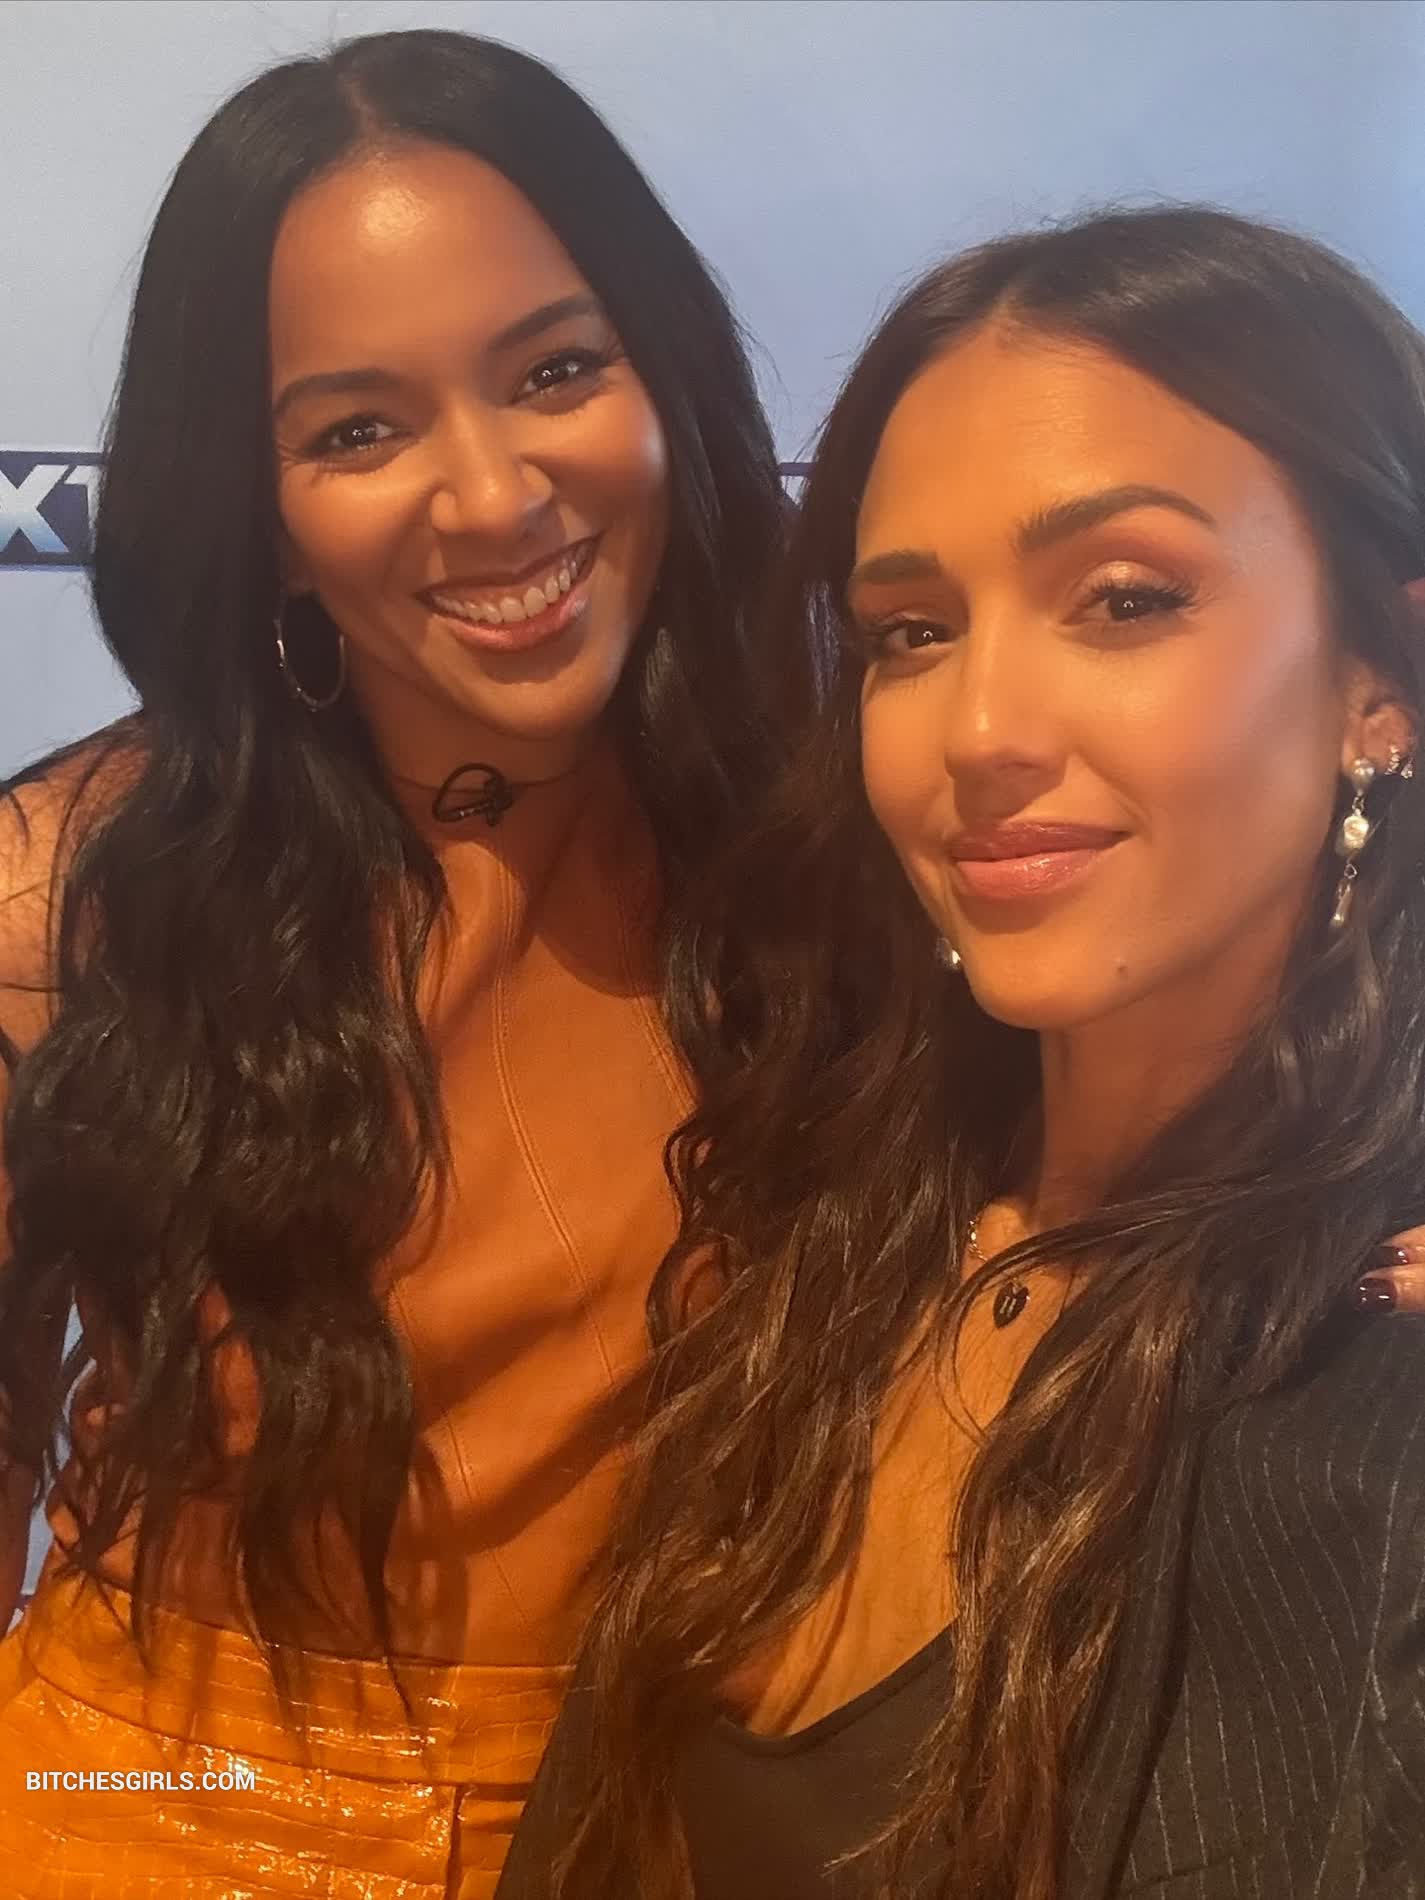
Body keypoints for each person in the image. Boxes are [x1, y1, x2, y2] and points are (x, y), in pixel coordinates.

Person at [499, 206, 1425, 1900]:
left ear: (1383, 680)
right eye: (910, 633)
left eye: (1124, 599)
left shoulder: (1376, 1356)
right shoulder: (841, 1231)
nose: (978, 731)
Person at [0, 28, 797, 1897]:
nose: (495, 492)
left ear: (662, 375)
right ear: (261, 516)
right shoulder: (68, 900)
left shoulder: (832, 844)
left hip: (681, 1822)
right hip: (140, 1819)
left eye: (555, 371)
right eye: (357, 430)